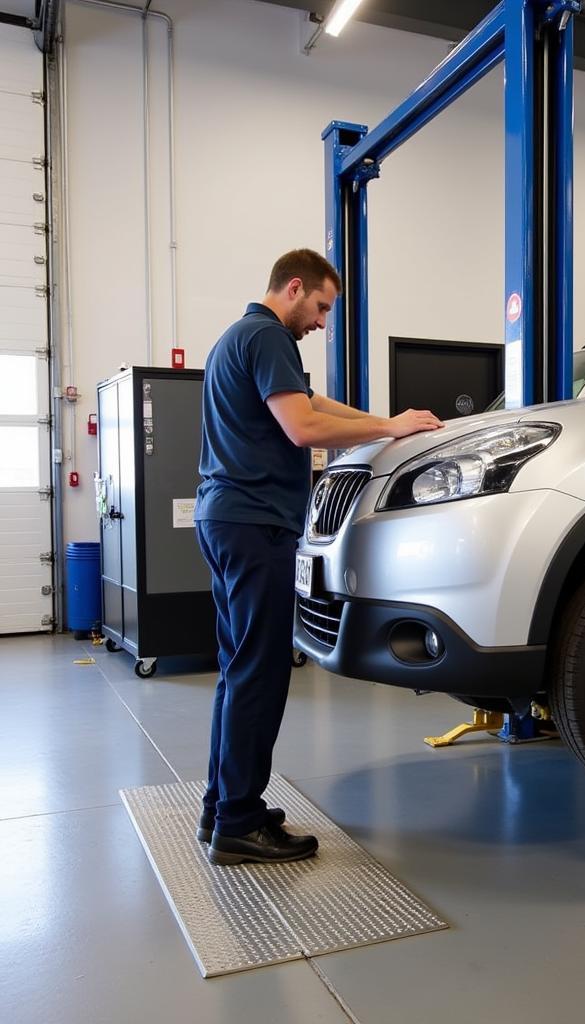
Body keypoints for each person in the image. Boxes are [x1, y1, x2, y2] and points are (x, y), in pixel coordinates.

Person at [193, 248, 443, 866]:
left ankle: (221, 805)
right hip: (255, 526)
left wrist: (391, 421)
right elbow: (303, 427)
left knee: (236, 668)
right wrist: (389, 431)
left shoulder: (238, 339)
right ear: (295, 287)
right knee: (261, 672)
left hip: (224, 519)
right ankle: (240, 822)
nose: (323, 322)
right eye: (322, 307)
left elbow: (317, 405)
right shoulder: (268, 336)